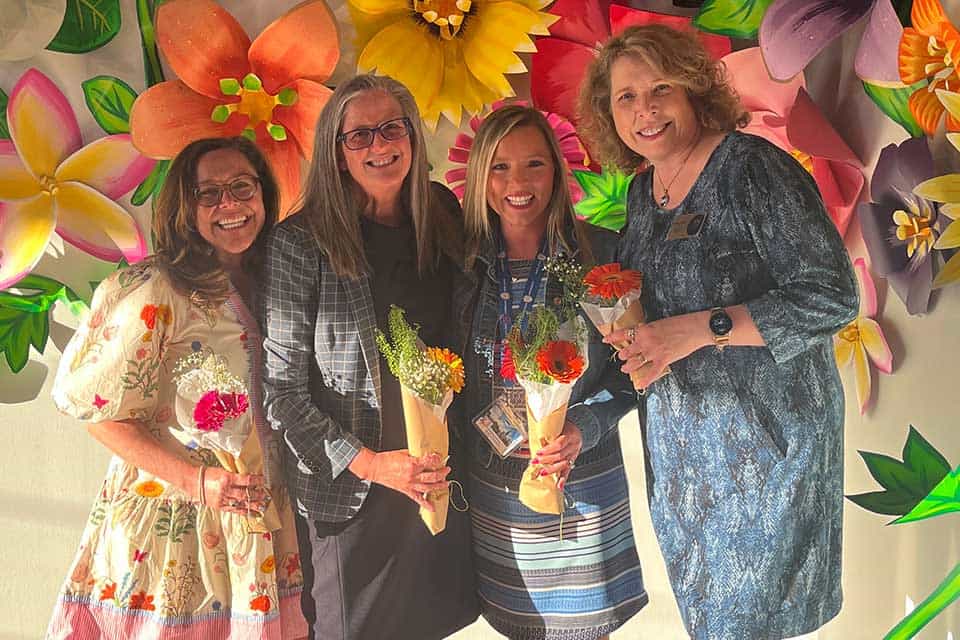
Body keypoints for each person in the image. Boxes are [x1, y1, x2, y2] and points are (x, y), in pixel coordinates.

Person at [579, 24, 859, 639]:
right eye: (625, 98)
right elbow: (649, 312)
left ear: (694, 91)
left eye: (660, 89)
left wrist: (700, 329)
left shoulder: (753, 170)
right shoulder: (641, 194)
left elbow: (834, 297)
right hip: (684, 466)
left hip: (769, 451)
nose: (645, 111)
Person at [46, 137, 308, 639]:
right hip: (176, 524)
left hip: (261, 515)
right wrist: (197, 482)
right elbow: (102, 417)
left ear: (263, 195)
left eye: (241, 187)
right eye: (208, 194)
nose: (229, 205)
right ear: (185, 208)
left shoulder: (277, 278)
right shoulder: (153, 289)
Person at [260, 74, 478, 640]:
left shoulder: (439, 210)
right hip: (355, 492)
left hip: (435, 476)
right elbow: (282, 393)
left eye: (391, 129)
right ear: (336, 151)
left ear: (410, 135)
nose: (379, 147)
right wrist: (374, 465)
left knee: (435, 624)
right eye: (359, 136)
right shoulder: (300, 243)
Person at [454, 104, 647, 640]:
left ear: (557, 173)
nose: (517, 183)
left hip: (581, 485)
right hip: (498, 493)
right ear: (479, 177)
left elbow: (636, 371)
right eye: (499, 167)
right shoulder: (462, 263)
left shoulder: (599, 257)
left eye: (534, 165)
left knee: (583, 628)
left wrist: (584, 426)